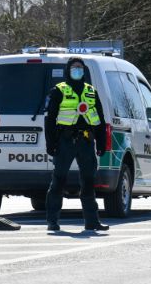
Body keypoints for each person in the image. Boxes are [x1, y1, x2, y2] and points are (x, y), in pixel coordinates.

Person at [44, 56, 109, 233]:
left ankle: (92, 221)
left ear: (84, 71)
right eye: (74, 67)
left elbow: (100, 120)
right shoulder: (59, 90)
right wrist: (51, 144)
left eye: (80, 67)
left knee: (88, 181)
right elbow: (49, 120)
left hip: (86, 141)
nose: (77, 70)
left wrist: (101, 143)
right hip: (65, 140)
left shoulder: (91, 91)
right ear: (68, 70)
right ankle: (52, 221)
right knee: (59, 180)